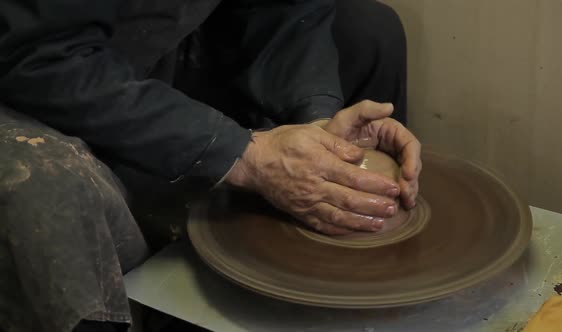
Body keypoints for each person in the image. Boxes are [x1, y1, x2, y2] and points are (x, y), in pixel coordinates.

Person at [0, 0, 421, 331]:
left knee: (367, 32)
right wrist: (245, 154)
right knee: (48, 187)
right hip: (30, 67)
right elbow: (37, 54)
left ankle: (345, 285)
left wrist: (318, 126)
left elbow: (280, 9)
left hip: (138, 43)